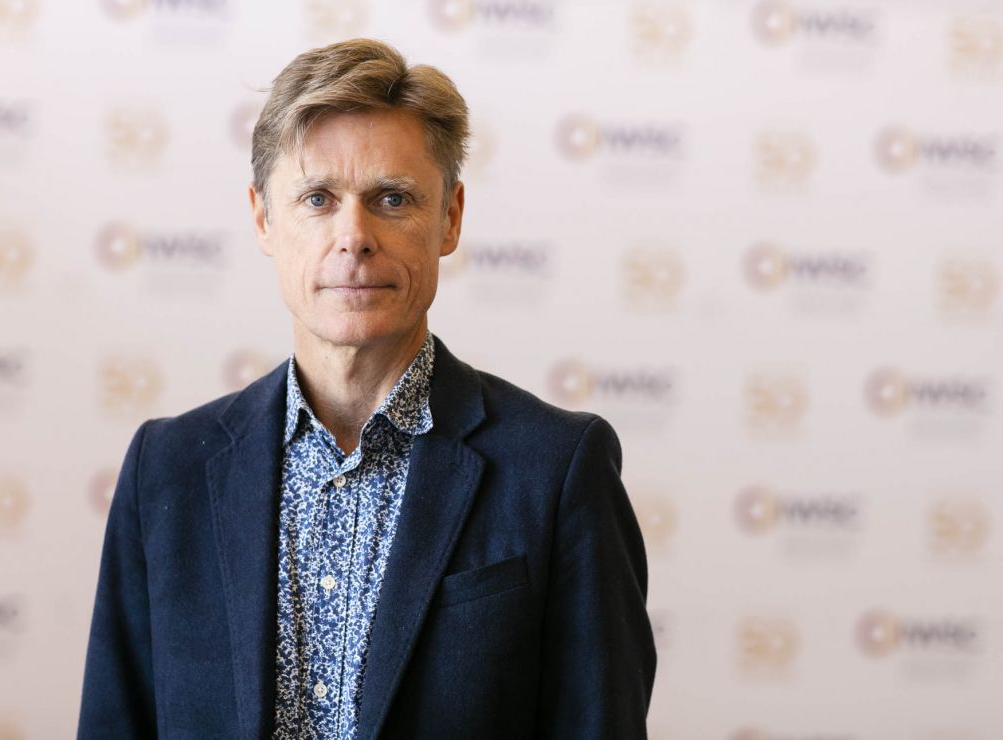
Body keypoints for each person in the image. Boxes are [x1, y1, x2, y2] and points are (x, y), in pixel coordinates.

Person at [77, 38, 655, 740]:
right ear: (262, 218)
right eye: (317, 198)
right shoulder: (166, 471)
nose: (354, 236)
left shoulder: (558, 469)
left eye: (392, 198)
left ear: (450, 217)